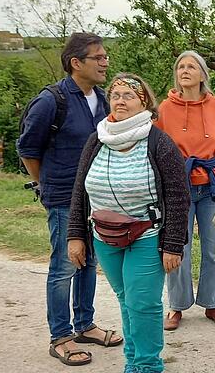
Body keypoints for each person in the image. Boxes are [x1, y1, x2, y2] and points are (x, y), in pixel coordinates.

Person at [67, 73, 190, 373]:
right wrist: (75, 235)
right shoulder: (97, 139)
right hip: (103, 235)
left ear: (144, 101)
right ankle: (133, 363)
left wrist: (173, 244)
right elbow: (80, 189)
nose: (120, 100)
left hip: (146, 235)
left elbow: (178, 195)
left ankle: (148, 367)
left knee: (143, 303)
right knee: (127, 300)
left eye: (129, 95)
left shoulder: (158, 142)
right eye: (116, 94)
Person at [17, 32, 123, 366]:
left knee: (89, 260)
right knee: (65, 265)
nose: (105, 62)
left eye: (106, 56)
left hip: (97, 197)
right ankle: (60, 335)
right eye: (98, 58)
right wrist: (44, 184)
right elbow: (28, 148)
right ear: (76, 63)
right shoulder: (52, 100)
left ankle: (84, 324)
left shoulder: (104, 99)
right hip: (63, 196)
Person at [155, 51, 215, 330]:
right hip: (178, 188)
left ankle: (212, 303)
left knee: (214, 247)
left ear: (202, 74)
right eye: (180, 66)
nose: (185, 70)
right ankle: (176, 306)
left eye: (191, 66)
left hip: (212, 187)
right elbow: (156, 146)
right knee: (179, 246)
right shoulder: (165, 108)